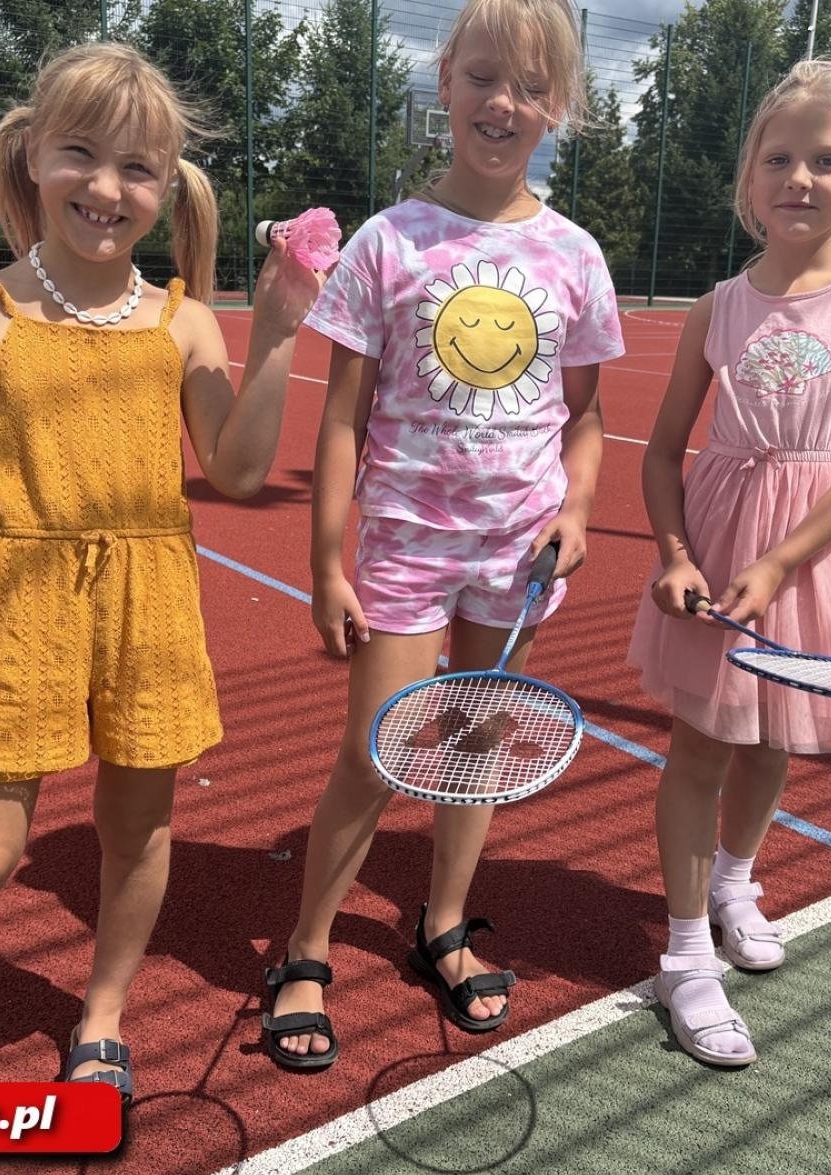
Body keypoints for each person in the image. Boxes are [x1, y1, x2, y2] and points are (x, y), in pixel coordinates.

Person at [0, 41, 322, 1104]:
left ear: (165, 191)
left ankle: (103, 1011)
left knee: (140, 831)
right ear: (31, 158)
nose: (106, 188)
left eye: (138, 169)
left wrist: (278, 339)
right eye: (81, 154)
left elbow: (243, 468)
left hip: (150, 605)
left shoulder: (182, 322)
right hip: (23, 601)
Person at [259, 0, 624, 1071]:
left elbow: (588, 418)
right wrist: (327, 561)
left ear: (557, 107)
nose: (501, 103)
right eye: (481, 78)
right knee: (376, 756)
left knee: (476, 754)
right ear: (444, 82)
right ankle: (306, 949)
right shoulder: (389, 242)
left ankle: (442, 927)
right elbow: (341, 420)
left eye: (526, 86)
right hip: (405, 551)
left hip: (515, 558)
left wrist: (578, 510)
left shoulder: (575, 256)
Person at [628, 60, 831, 1067]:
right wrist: (677, 556)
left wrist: (782, 563)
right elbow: (663, 451)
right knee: (702, 741)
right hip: (717, 540)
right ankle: (680, 955)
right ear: (748, 178)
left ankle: (732, 881)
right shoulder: (717, 307)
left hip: (816, 547)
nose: (800, 177)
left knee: (770, 736)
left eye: (825, 160)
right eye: (778, 158)